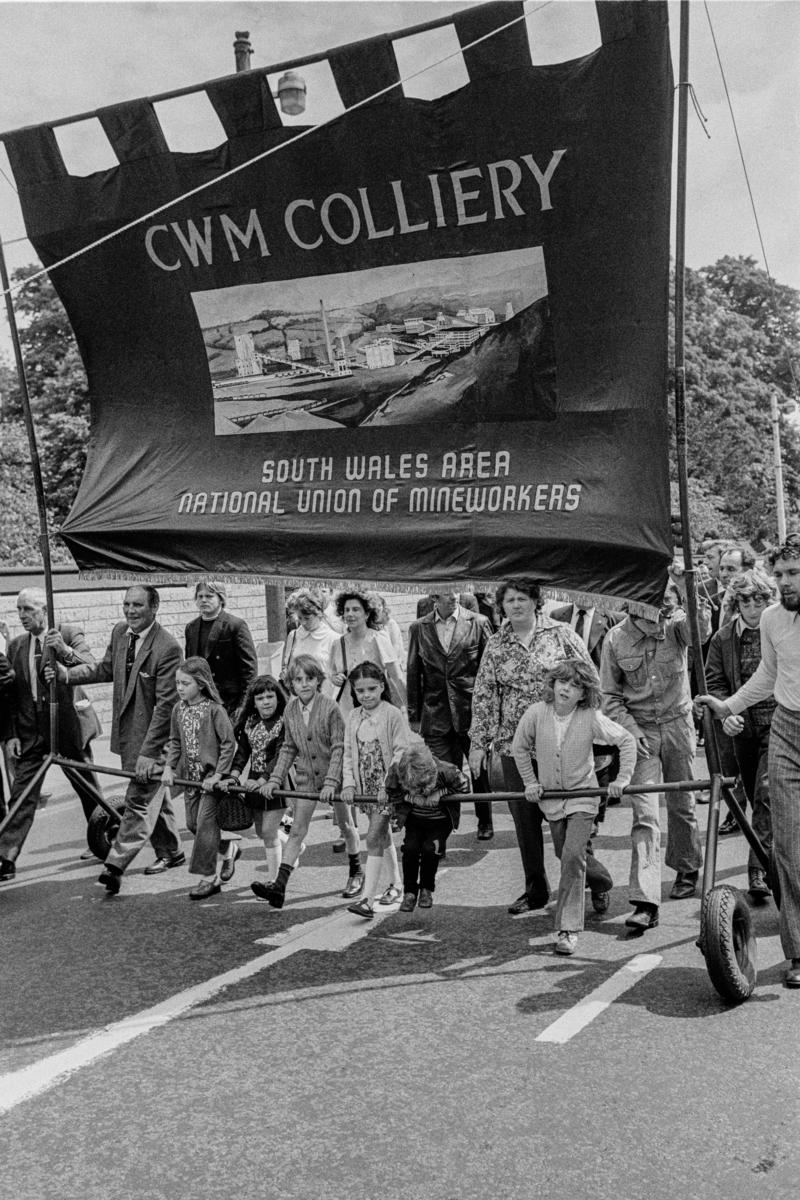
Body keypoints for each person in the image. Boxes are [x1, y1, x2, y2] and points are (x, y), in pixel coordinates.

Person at [468, 578, 610, 916]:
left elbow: (590, 679)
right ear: (500, 606)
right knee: (525, 824)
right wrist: (478, 742)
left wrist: (589, 725)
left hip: (562, 744)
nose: (516, 605)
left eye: (522, 599)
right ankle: (535, 891)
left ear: (536, 601)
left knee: (566, 829)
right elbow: (485, 693)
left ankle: (597, 880)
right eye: (509, 600)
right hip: (513, 747)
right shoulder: (497, 643)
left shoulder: (560, 633)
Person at [698, 534, 800, 989]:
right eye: (779, 574)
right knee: (786, 847)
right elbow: (768, 675)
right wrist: (730, 706)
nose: (783, 583)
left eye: (792, 573)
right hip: (787, 729)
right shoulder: (776, 619)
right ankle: (797, 953)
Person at [600, 582, 710, 931]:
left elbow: (699, 630)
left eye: (666, 602)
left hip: (678, 724)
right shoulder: (615, 639)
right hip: (641, 729)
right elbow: (609, 695)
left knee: (682, 803)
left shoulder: (677, 626)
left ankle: (686, 865)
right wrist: (631, 730)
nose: (659, 611)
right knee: (644, 812)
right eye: (652, 603)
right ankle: (646, 899)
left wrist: (693, 593)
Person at [63, 585, 184, 895]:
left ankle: (114, 866)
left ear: (154, 608)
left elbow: (166, 707)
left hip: (152, 739)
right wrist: (67, 674)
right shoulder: (120, 633)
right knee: (155, 792)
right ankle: (172, 851)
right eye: (127, 604)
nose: (130, 610)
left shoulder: (168, 648)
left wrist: (151, 752)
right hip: (128, 734)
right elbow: (105, 668)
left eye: (138, 605)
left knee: (139, 800)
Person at [512, 660, 636, 955]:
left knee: (570, 855)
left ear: (584, 694)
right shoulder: (536, 713)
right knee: (565, 852)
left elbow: (627, 740)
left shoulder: (590, 716)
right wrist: (530, 782)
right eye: (562, 682)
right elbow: (519, 747)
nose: (567, 689)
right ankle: (603, 881)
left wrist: (623, 778)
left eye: (576, 685)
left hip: (583, 796)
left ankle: (567, 929)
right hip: (552, 799)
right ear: (552, 684)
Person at [0, 588, 105, 880]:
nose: (22, 615)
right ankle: (5, 858)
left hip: (66, 725)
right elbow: (14, 695)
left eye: (29, 609)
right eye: (19, 609)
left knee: (87, 787)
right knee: (21, 794)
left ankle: (104, 834)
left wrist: (63, 652)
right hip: (31, 732)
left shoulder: (67, 633)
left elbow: (90, 666)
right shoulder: (17, 646)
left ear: (45, 610)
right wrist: (12, 735)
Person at [259, 655, 361, 908]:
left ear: (318, 680)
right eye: (297, 680)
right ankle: (279, 887)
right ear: (291, 683)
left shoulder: (330, 707)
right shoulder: (290, 709)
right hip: (306, 776)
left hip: (333, 777)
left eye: (309, 679)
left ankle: (356, 870)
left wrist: (331, 781)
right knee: (296, 831)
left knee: (346, 825)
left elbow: (339, 747)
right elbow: (288, 747)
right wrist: (275, 778)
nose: (303, 684)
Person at [704, 569, 775, 884]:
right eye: (746, 600)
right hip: (743, 727)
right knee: (751, 791)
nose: (753, 606)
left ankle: (758, 869)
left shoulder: (779, 629)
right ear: (737, 602)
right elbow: (715, 681)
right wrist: (725, 714)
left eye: (759, 599)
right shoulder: (723, 638)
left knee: (766, 793)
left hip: (779, 722)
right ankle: (771, 859)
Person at [407, 585, 495, 840]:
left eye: (456, 590)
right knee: (443, 775)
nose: (454, 595)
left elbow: (490, 670)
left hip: (472, 711)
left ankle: (485, 821)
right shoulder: (418, 628)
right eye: (447, 592)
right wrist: (414, 714)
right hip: (435, 713)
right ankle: (444, 831)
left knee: (480, 772)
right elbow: (413, 672)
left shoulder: (479, 622)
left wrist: (490, 711)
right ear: (434, 597)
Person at [161, 657, 236, 900]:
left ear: (201, 684)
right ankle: (228, 848)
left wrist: (218, 774)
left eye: (185, 683)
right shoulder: (178, 709)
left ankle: (209, 879)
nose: (180, 688)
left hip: (210, 781)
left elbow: (228, 743)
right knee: (194, 825)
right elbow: (174, 741)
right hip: (190, 780)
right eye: (177, 683)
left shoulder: (215, 710)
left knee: (204, 825)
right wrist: (168, 768)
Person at [341, 662, 409, 918]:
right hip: (364, 787)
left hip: (385, 789)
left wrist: (387, 784)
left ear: (382, 686)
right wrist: (348, 782)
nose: (366, 695)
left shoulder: (392, 714)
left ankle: (367, 900)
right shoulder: (354, 716)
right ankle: (397, 885)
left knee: (371, 837)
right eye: (360, 691)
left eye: (371, 688)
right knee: (382, 837)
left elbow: (401, 751)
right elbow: (349, 753)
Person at [386, 739, 469, 911]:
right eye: (415, 788)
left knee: (431, 850)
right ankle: (409, 892)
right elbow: (391, 791)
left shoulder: (446, 770)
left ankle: (426, 888)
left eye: (423, 789)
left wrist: (441, 793)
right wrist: (410, 797)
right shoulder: (398, 770)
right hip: (415, 820)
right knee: (410, 849)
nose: (421, 793)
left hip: (440, 821)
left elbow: (465, 786)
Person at [223, 675, 288, 891]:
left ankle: (274, 882)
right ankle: (294, 844)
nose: (266, 702)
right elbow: (242, 753)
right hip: (253, 781)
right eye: (260, 698)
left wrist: (263, 779)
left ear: (278, 698)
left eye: (270, 697)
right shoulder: (250, 723)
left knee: (269, 831)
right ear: (253, 701)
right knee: (262, 832)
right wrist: (234, 775)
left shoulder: (283, 722)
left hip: (277, 780)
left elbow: (280, 755)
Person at [185, 580, 258, 720]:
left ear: (221, 598)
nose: (204, 600)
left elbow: (249, 670)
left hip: (230, 702)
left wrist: (243, 705)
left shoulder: (235, 625)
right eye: (200, 596)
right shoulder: (191, 628)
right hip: (201, 701)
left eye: (209, 596)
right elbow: (189, 667)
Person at [329, 590, 406, 716]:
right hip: (348, 712)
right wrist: (334, 678)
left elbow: (396, 677)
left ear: (367, 614)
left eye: (355, 609)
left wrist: (407, 710)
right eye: (346, 610)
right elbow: (331, 673)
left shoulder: (379, 639)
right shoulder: (337, 644)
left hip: (377, 710)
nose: (350, 614)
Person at [281, 588, 340, 696]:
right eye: (300, 618)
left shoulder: (334, 639)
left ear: (319, 614)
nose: (303, 622)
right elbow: (287, 666)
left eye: (307, 618)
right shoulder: (293, 636)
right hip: (298, 698)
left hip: (324, 698)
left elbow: (338, 676)